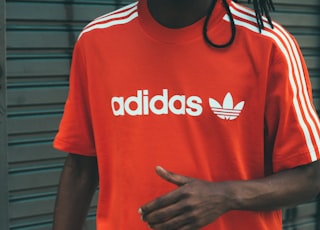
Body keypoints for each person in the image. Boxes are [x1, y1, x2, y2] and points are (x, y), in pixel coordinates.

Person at [52, 0, 320, 229]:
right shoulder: (97, 41)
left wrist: (227, 196)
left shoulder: (268, 44)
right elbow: (80, 169)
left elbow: (311, 176)